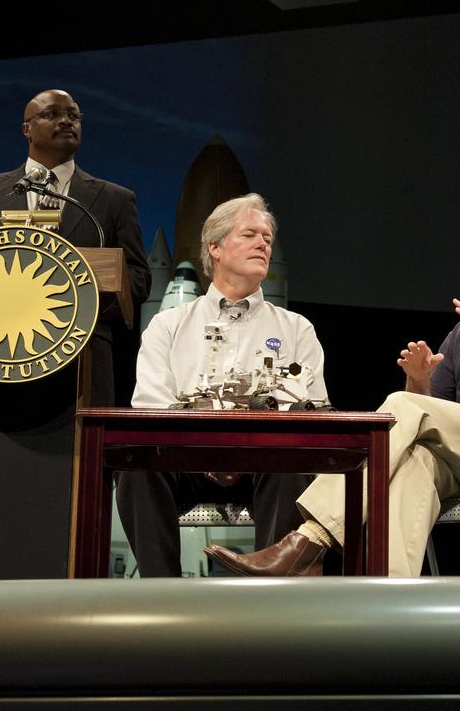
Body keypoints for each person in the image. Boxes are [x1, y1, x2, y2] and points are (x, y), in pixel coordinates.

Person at [206, 203, 460, 577]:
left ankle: (305, 540)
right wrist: (419, 379)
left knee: (398, 407)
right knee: (410, 465)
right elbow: (432, 409)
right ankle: (388, 608)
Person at [117, 194, 326, 577]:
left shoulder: (297, 329)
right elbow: (152, 405)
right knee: (136, 466)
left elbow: (309, 408)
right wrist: (206, 453)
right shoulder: (168, 325)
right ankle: (161, 593)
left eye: (267, 236)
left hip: (267, 464)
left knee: (294, 463)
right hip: (186, 463)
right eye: (249, 234)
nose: (263, 243)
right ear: (214, 247)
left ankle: (276, 598)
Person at [0, 88, 151, 405]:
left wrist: (79, 301)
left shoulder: (115, 200)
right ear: (26, 129)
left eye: (73, 115)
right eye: (52, 114)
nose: (65, 121)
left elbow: (138, 279)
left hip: (82, 362)